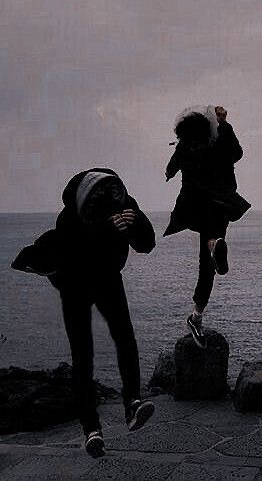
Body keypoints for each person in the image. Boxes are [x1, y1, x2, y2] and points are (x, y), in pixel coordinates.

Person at [12, 168, 156, 458]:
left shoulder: (125, 204)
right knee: (83, 355)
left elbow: (146, 245)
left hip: (107, 278)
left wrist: (136, 223)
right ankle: (92, 429)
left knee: (125, 338)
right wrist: (107, 228)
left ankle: (133, 404)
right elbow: (73, 254)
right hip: (75, 283)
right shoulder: (68, 219)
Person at [164, 105, 250, 349]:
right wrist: (223, 124)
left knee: (206, 263)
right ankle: (214, 247)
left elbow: (170, 169)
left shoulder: (185, 146)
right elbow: (237, 153)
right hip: (220, 204)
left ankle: (197, 315)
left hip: (195, 206)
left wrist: (171, 170)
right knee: (210, 258)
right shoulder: (219, 142)